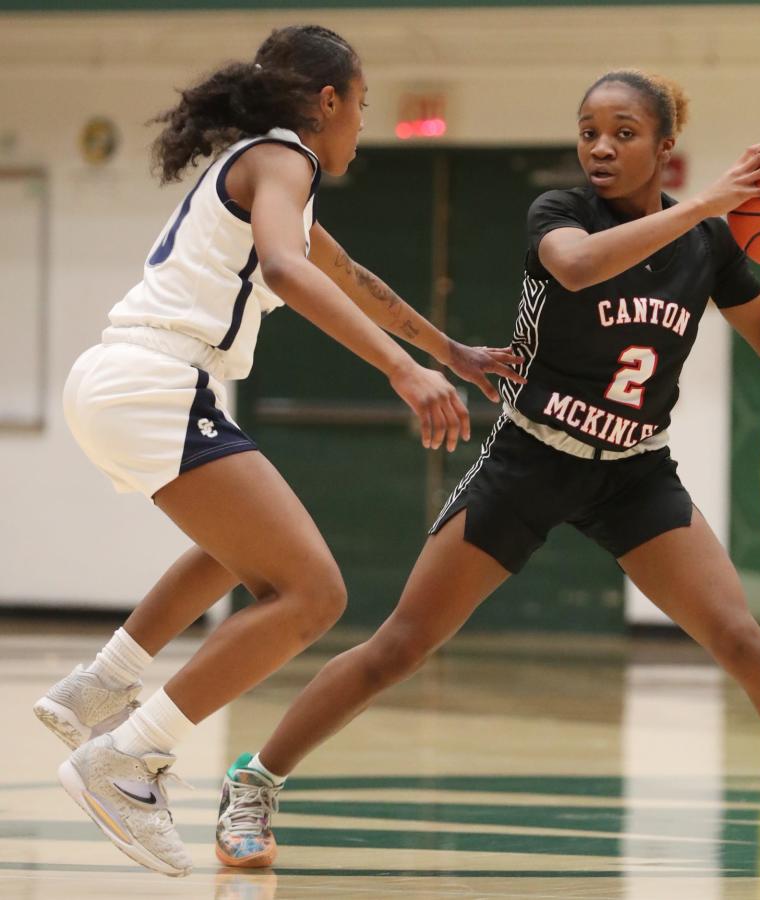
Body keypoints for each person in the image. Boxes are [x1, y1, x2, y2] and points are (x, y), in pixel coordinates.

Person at [206, 71, 760, 888]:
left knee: (742, 641)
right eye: (589, 131)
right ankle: (255, 783)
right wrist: (705, 204)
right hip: (531, 458)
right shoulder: (561, 214)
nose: (601, 148)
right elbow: (578, 271)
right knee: (400, 646)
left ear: (664, 145)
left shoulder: (710, 245)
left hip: (634, 473)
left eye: (623, 132)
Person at [33, 25, 521, 878]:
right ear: (326, 102)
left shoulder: (273, 172)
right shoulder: (284, 157)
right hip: (156, 381)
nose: (362, 126)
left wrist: (453, 354)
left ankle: (102, 685)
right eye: (362, 105)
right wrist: (405, 375)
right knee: (313, 594)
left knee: (246, 560)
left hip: (119, 378)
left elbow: (351, 279)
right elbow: (290, 272)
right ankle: (128, 759)